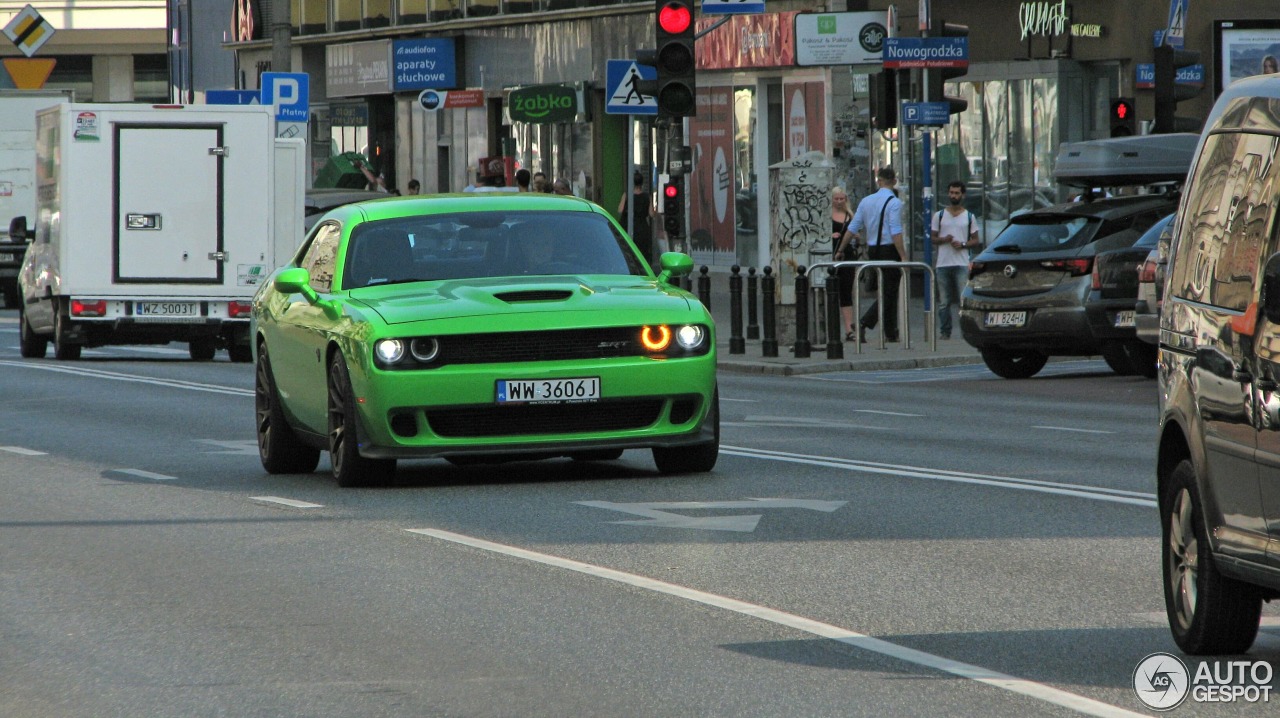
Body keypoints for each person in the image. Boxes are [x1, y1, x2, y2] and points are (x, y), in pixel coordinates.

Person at [845, 166, 904, 342]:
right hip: (889, 249)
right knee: (889, 291)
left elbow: (853, 227)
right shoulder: (895, 203)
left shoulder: (866, 201)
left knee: (888, 290)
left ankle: (891, 331)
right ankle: (864, 322)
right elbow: (895, 231)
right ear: (894, 181)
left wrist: (840, 249)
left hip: (873, 250)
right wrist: (903, 255)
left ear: (878, 181)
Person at [931, 181, 980, 340]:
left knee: (962, 300)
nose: (953, 196)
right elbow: (932, 238)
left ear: (962, 195)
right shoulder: (939, 216)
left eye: (957, 193)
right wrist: (944, 239)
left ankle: (966, 331)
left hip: (961, 263)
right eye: (951, 192)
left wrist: (963, 244)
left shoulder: (969, 217)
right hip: (943, 263)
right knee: (944, 302)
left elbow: (975, 240)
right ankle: (945, 332)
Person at [828, 187, 857, 340]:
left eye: (842, 199)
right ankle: (831, 328)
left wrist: (854, 235)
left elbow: (858, 234)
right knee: (830, 292)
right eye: (836, 199)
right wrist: (830, 235)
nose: (839, 202)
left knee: (846, 292)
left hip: (847, 256)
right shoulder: (826, 215)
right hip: (830, 256)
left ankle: (849, 329)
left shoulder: (850, 215)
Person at [617, 170, 655, 264]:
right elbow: (651, 214)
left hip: (628, 226)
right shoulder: (647, 196)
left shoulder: (627, 195)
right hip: (642, 228)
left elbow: (620, 210)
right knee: (641, 254)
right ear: (642, 183)